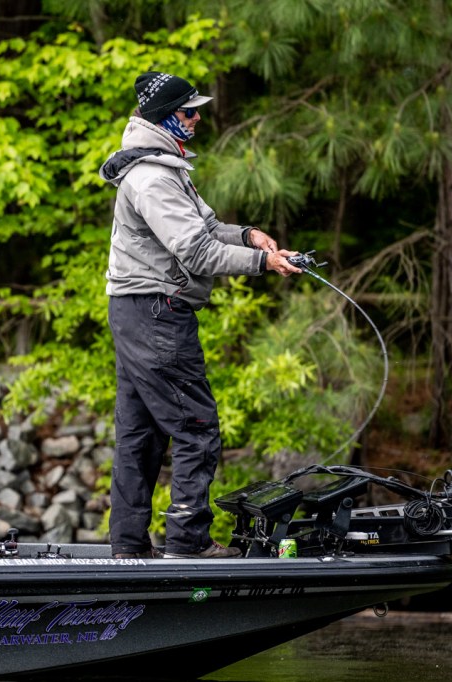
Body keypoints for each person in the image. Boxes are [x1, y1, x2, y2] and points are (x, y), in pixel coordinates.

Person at [98, 71, 300, 559]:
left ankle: (127, 546)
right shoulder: (151, 179)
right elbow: (196, 252)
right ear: (168, 117)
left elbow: (207, 228)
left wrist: (249, 235)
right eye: (189, 110)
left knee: (140, 433)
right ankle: (188, 543)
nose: (197, 116)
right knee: (196, 426)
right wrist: (264, 263)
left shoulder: (162, 168)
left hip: (136, 311)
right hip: (155, 313)